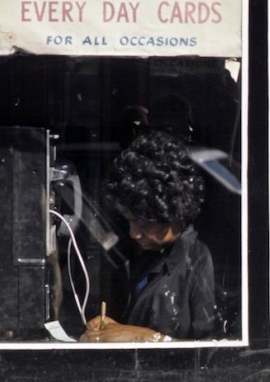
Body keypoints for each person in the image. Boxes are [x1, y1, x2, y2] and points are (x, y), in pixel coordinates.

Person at [80, 130, 216, 342]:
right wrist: (116, 330)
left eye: (144, 223)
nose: (133, 233)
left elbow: (217, 353)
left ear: (175, 214)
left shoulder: (200, 259)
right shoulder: (153, 254)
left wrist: (146, 337)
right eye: (129, 221)